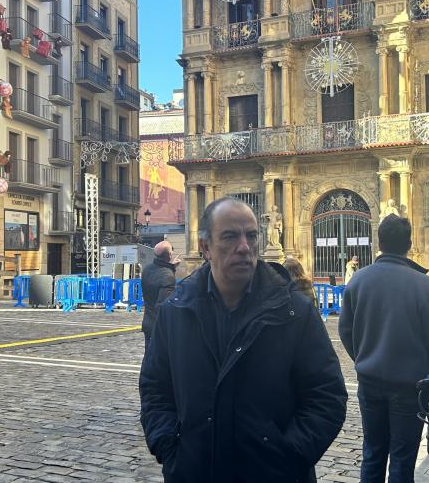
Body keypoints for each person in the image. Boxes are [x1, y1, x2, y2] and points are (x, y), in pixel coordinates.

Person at [139, 198, 347, 482]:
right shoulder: (175, 311)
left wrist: (288, 457)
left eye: (251, 236)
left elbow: (327, 396)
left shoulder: (295, 311)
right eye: (230, 237)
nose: (244, 247)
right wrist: (171, 448)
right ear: (205, 247)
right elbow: (155, 389)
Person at [339, 215, 429, 483]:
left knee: (372, 453)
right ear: (409, 244)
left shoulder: (358, 281)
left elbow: (345, 331)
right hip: (410, 384)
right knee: (402, 459)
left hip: (369, 381)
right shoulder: (424, 285)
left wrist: (364, 355)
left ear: (380, 242)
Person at [140, 241, 179, 352]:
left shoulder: (147, 270)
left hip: (148, 321)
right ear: (170, 256)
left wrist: (171, 268)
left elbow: (157, 277)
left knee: (148, 356)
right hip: (159, 327)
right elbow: (163, 306)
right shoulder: (168, 275)